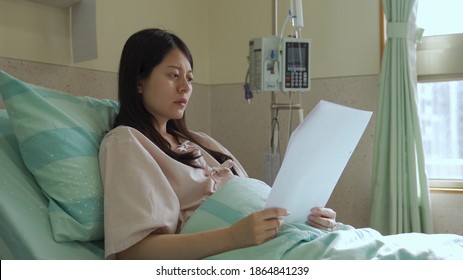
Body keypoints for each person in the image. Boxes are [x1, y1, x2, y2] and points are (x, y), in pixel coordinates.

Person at [99, 28, 338, 260]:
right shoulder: (126, 142)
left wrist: (305, 218)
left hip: (283, 236)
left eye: (189, 78)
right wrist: (234, 236)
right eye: (173, 75)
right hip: (242, 251)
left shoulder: (200, 141)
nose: (185, 87)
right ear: (139, 81)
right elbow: (134, 253)